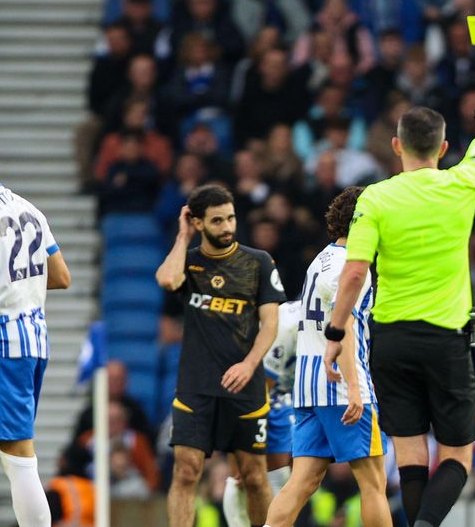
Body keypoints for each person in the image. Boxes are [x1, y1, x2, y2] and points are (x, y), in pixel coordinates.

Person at [321, 39, 475, 527]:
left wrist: (336, 335)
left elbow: (355, 272)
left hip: (391, 339)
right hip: (446, 337)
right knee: (458, 460)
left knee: (409, 459)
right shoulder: (462, 182)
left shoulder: (375, 200)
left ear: (397, 145)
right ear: (445, 148)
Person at [155, 185, 286, 527]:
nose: (227, 227)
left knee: (255, 477)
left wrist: (249, 363)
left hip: (245, 386)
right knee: (186, 472)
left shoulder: (258, 262)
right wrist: (182, 238)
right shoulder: (190, 263)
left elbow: (270, 324)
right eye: (216, 220)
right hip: (196, 387)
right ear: (198, 223)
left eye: (230, 218)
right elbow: (167, 280)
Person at [263, 187, 391, 527]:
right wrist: (353, 388)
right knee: (374, 483)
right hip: (339, 380)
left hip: (307, 384)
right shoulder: (352, 268)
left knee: (302, 481)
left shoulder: (321, 260)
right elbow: (344, 323)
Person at [0, 183, 71, 527]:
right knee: (15, 453)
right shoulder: (28, 208)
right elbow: (61, 275)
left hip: (4, 342)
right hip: (32, 339)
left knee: (17, 455)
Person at [224, 299, 302, 527]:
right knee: (243, 476)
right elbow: (260, 387)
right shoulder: (288, 326)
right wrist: (246, 443)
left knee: (281, 476)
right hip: (250, 389)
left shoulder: (345, 321)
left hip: (285, 392)